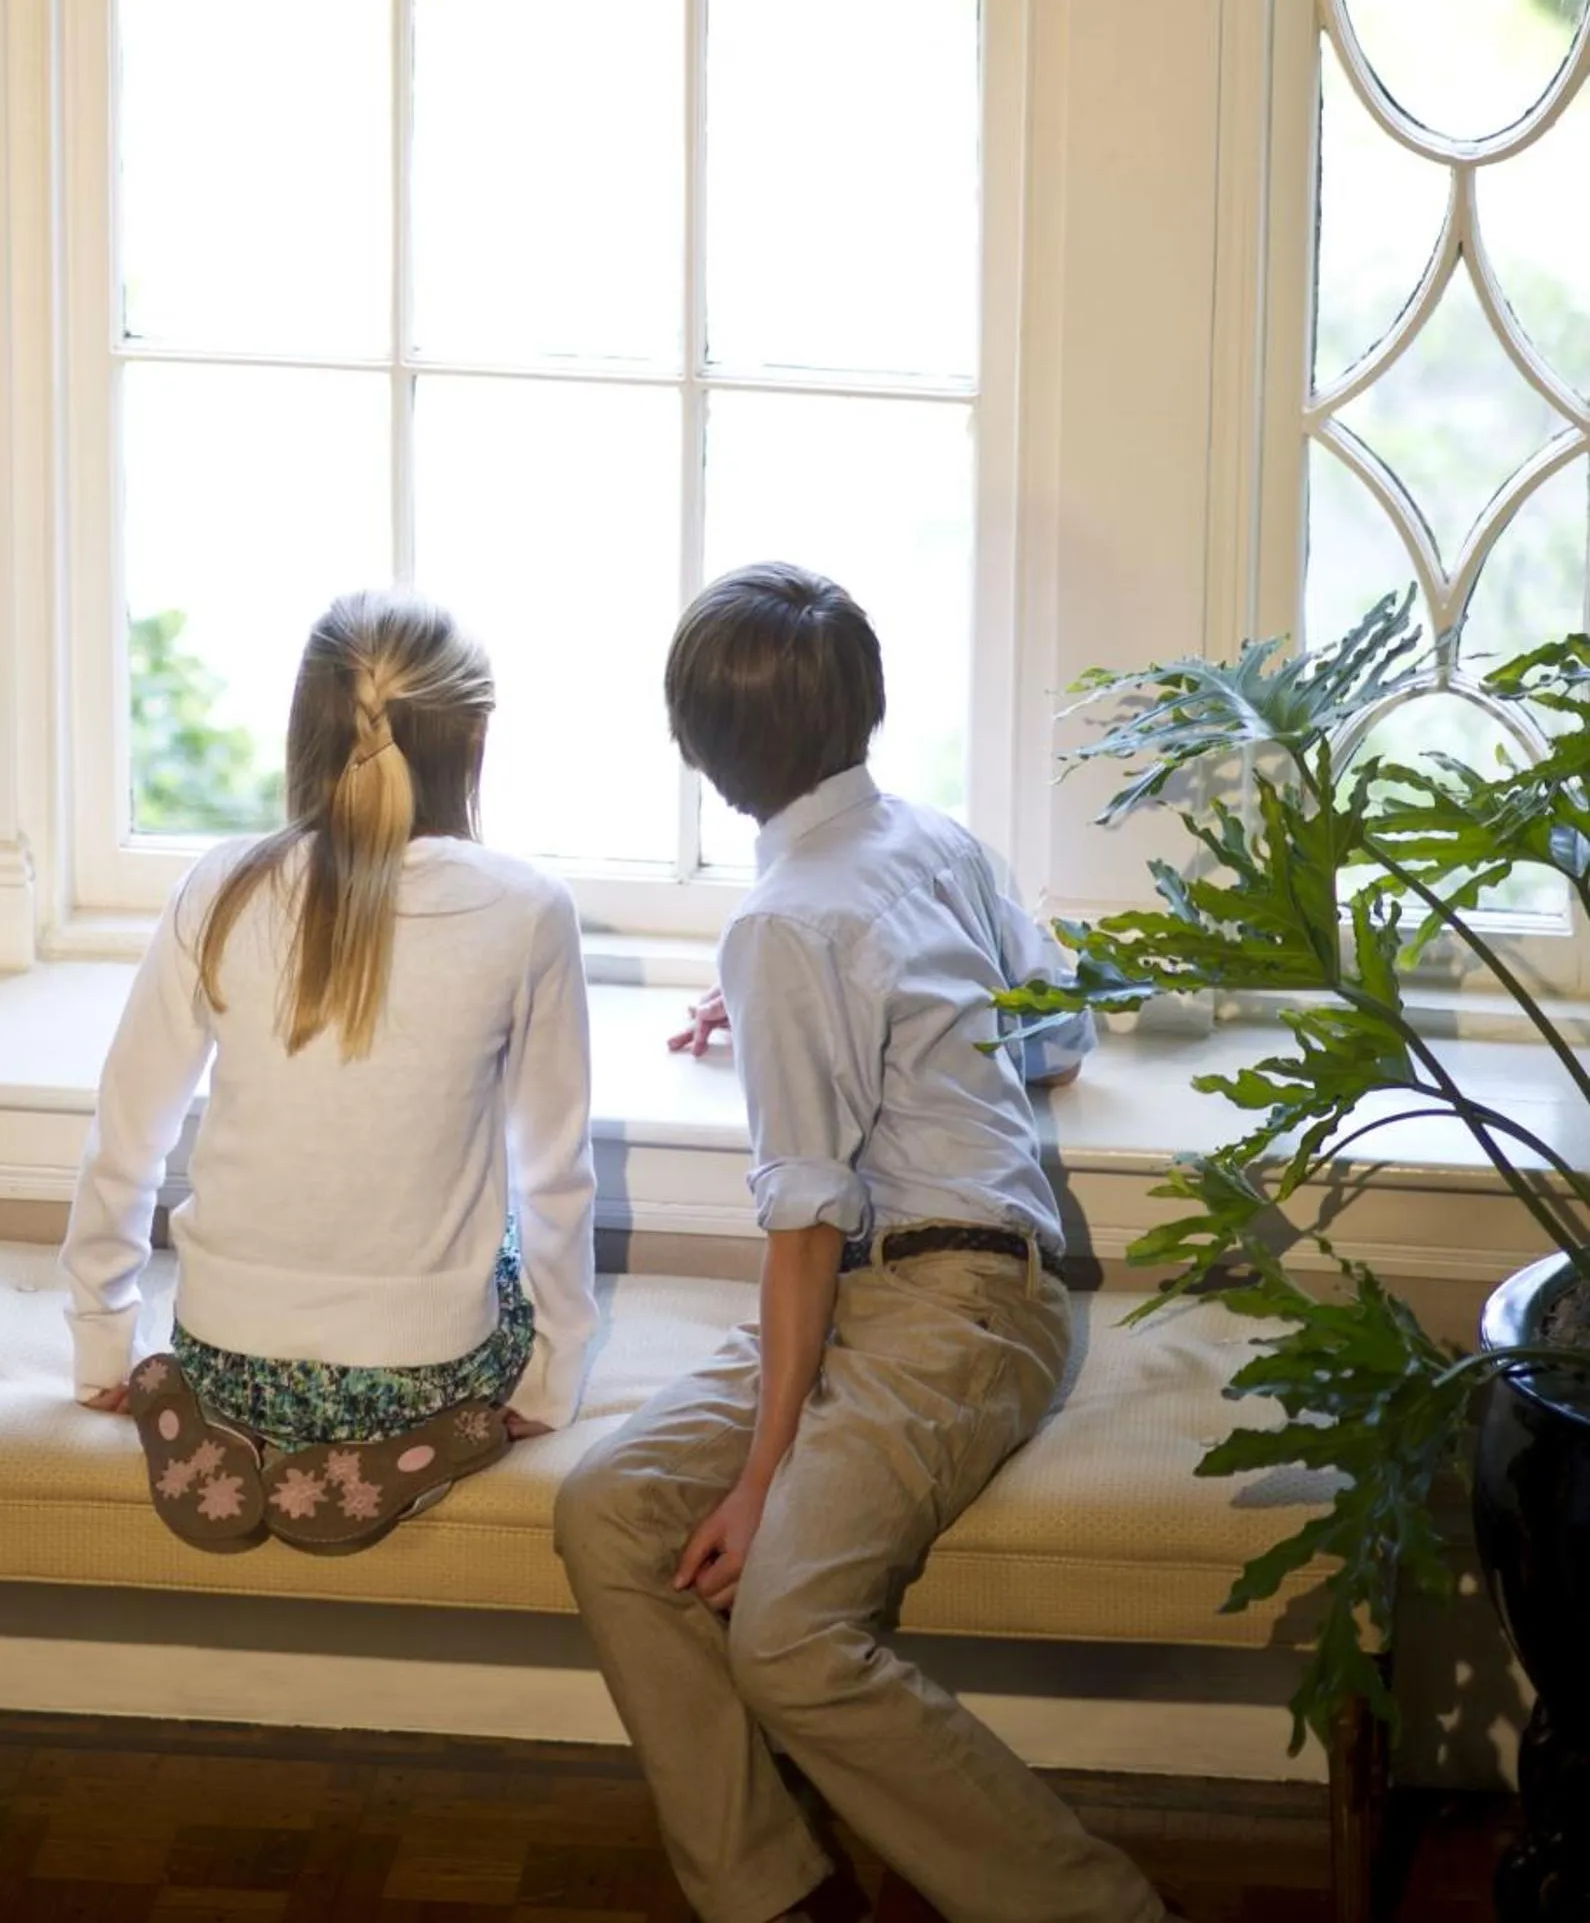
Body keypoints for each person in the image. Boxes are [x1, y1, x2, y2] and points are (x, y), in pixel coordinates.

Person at [554, 563, 1165, 1923]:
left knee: (788, 1640)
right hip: (920, 1286)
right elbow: (1052, 1033)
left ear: (700, 754)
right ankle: (773, 1894)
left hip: (951, 1303)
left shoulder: (782, 922)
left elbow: (803, 1231)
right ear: (866, 706)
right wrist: (809, 1026)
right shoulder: (930, 844)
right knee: (603, 1511)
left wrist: (760, 1477)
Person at [60, 588, 597, 1554]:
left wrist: (103, 1337)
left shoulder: (219, 888)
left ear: (303, 731)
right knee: (501, 1237)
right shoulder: (526, 911)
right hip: (422, 1368)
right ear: (472, 744)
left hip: (228, 1350)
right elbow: (555, 1171)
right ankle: (424, 1442)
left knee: (223, 1321)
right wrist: (553, 1377)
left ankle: (212, 1416)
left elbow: (128, 1132)